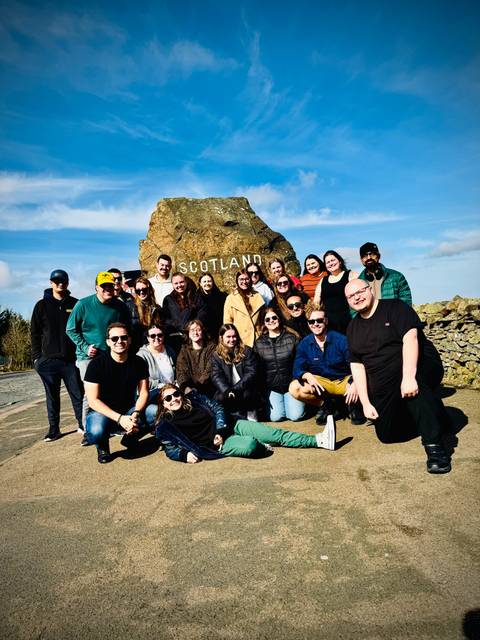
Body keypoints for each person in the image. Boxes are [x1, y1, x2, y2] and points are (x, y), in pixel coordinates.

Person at [345, 279, 451, 474]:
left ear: (370, 289)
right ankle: (435, 416)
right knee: (386, 434)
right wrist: (366, 403)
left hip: (417, 364)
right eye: (351, 296)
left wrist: (409, 376)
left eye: (360, 291)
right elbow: (357, 365)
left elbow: (410, 338)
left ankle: (435, 447)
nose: (356, 297)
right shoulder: (352, 328)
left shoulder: (395, 307)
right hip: (385, 377)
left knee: (414, 387)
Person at [155, 383, 335, 463]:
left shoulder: (196, 399)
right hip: (219, 445)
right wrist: (184, 455)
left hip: (231, 426)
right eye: (168, 398)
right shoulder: (165, 426)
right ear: (163, 404)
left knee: (275, 434)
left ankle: (319, 440)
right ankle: (261, 445)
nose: (174, 399)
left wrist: (221, 429)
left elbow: (218, 408)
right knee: (250, 446)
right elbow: (170, 449)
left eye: (176, 394)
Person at [66, 271, 131, 444]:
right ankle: (88, 432)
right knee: (91, 395)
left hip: (112, 355)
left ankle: (113, 424)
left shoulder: (120, 306)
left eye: (111, 285)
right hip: (89, 357)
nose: (108, 289)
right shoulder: (83, 304)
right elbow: (71, 329)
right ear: (97, 287)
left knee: (113, 389)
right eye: (104, 286)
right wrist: (85, 347)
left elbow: (127, 328)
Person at [84, 323, 154, 464]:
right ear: (108, 342)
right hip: (102, 412)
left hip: (129, 410)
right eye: (114, 338)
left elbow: (144, 393)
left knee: (155, 412)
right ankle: (102, 446)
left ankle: (130, 438)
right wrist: (120, 418)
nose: (119, 341)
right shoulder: (96, 365)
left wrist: (135, 414)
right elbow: (92, 400)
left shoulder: (138, 362)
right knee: (96, 431)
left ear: (129, 340)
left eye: (123, 337)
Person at [289, 303, 364, 426]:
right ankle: (328, 406)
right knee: (295, 388)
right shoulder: (305, 343)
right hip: (323, 383)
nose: (315, 324)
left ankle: (354, 404)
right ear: (308, 324)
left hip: (343, 381)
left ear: (326, 321)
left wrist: (355, 383)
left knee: (366, 383)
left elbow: (356, 364)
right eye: (311, 322)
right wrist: (307, 375)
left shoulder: (341, 340)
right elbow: (297, 368)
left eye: (319, 320)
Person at [30, 269, 83, 442]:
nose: (60, 283)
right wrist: (37, 358)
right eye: (56, 281)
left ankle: (82, 425)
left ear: (67, 283)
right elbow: (35, 333)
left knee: (77, 394)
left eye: (63, 281)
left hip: (70, 360)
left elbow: (82, 329)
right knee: (52, 397)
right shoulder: (41, 306)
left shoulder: (75, 304)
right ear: (51, 282)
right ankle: (54, 429)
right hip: (49, 361)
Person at [254, 307, 305, 422]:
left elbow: (301, 362)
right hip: (272, 388)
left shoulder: (292, 338)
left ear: (279, 319)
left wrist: (297, 380)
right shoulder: (259, 343)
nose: (271, 321)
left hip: (291, 385)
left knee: (295, 416)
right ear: (264, 323)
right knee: (276, 417)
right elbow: (258, 369)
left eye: (274, 318)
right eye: (267, 319)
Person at [211, 323, 260, 420]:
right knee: (220, 398)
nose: (232, 339)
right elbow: (216, 375)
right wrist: (226, 390)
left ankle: (250, 411)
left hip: (244, 388)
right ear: (221, 338)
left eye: (234, 336)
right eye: (228, 337)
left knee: (247, 394)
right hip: (228, 389)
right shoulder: (216, 355)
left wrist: (236, 389)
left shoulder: (246, 351)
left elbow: (251, 372)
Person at [137, 323, 176, 430]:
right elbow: (139, 382)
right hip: (153, 394)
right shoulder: (141, 355)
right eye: (153, 336)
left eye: (160, 335)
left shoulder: (170, 350)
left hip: (171, 391)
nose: (157, 338)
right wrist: (160, 384)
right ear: (147, 338)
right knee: (164, 412)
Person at [313, 250, 358, 334]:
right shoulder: (323, 280)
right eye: (328, 262)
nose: (330, 263)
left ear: (340, 261)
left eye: (333, 260)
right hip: (329, 325)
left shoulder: (351, 275)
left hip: (349, 321)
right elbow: (316, 302)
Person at [162, 272, 207, 353]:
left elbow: (202, 313)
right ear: (172, 285)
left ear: (186, 282)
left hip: (194, 336)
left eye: (181, 282)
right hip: (176, 339)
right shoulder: (168, 300)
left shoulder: (196, 297)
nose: (179, 285)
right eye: (176, 283)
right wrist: (178, 325)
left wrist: (192, 326)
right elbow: (165, 319)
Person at [223, 270, 265, 347]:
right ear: (237, 281)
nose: (244, 282)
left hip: (257, 339)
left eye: (247, 279)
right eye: (241, 279)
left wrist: (260, 333)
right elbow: (227, 322)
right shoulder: (231, 298)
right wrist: (231, 338)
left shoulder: (257, 296)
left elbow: (262, 318)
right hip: (239, 340)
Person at [176, 319, 216, 397]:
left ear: (203, 332)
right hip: (189, 391)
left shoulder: (211, 348)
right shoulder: (184, 350)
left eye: (198, 330)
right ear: (188, 333)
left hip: (209, 390)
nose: (195, 333)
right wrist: (186, 387)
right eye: (192, 330)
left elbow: (210, 370)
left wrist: (197, 387)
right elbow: (181, 371)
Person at [126, 277, 162, 351]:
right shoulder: (129, 306)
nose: (141, 292)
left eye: (144, 290)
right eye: (138, 290)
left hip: (153, 347)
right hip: (136, 348)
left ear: (149, 290)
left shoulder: (157, 308)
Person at [194, 272, 227, 340]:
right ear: (200, 283)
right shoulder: (196, 298)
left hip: (219, 330)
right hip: (204, 332)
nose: (207, 283)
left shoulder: (221, 296)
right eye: (204, 281)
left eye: (209, 281)